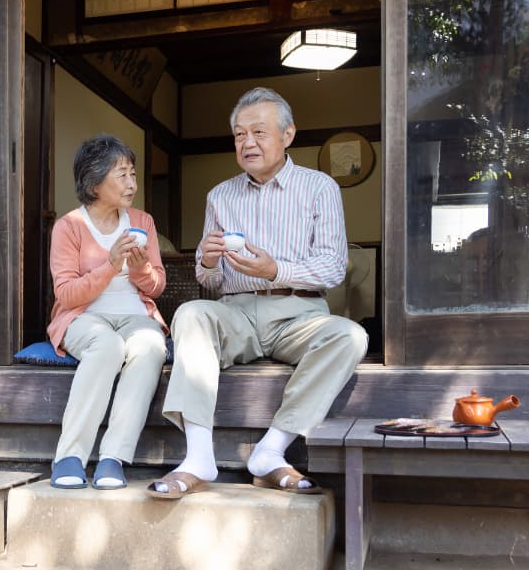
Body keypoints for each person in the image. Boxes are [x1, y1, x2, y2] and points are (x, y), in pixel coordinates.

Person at [148, 87, 367, 499]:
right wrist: (209, 262)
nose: (247, 142)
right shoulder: (220, 195)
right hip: (237, 312)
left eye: (258, 132)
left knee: (350, 336)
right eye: (238, 135)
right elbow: (208, 280)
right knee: (193, 313)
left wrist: (276, 270)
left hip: (300, 313)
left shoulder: (319, 187)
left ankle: (270, 451)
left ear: (287, 135)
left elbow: (334, 266)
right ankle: (198, 458)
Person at [46, 135, 169, 490]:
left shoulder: (142, 221)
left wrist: (142, 269)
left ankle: (113, 456)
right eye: (122, 175)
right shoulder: (69, 226)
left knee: (150, 345)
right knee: (107, 346)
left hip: (135, 315)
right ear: (94, 180)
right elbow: (67, 295)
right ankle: (70, 456)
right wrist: (111, 265)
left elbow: (157, 286)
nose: (132, 183)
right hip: (83, 318)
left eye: (133, 174)